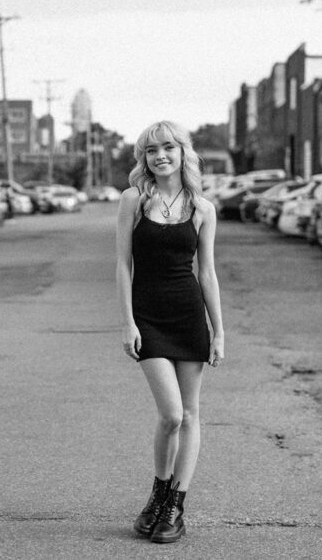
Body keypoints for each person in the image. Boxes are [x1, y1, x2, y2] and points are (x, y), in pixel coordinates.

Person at [115, 120, 225, 544]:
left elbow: (208, 273)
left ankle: (174, 506)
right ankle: (158, 491)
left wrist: (218, 332)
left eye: (168, 148)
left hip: (188, 316)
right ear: (144, 158)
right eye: (150, 150)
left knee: (192, 414)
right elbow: (123, 265)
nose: (159, 156)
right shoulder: (133, 201)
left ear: (183, 153)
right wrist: (127, 321)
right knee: (172, 415)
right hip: (148, 318)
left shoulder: (202, 208)